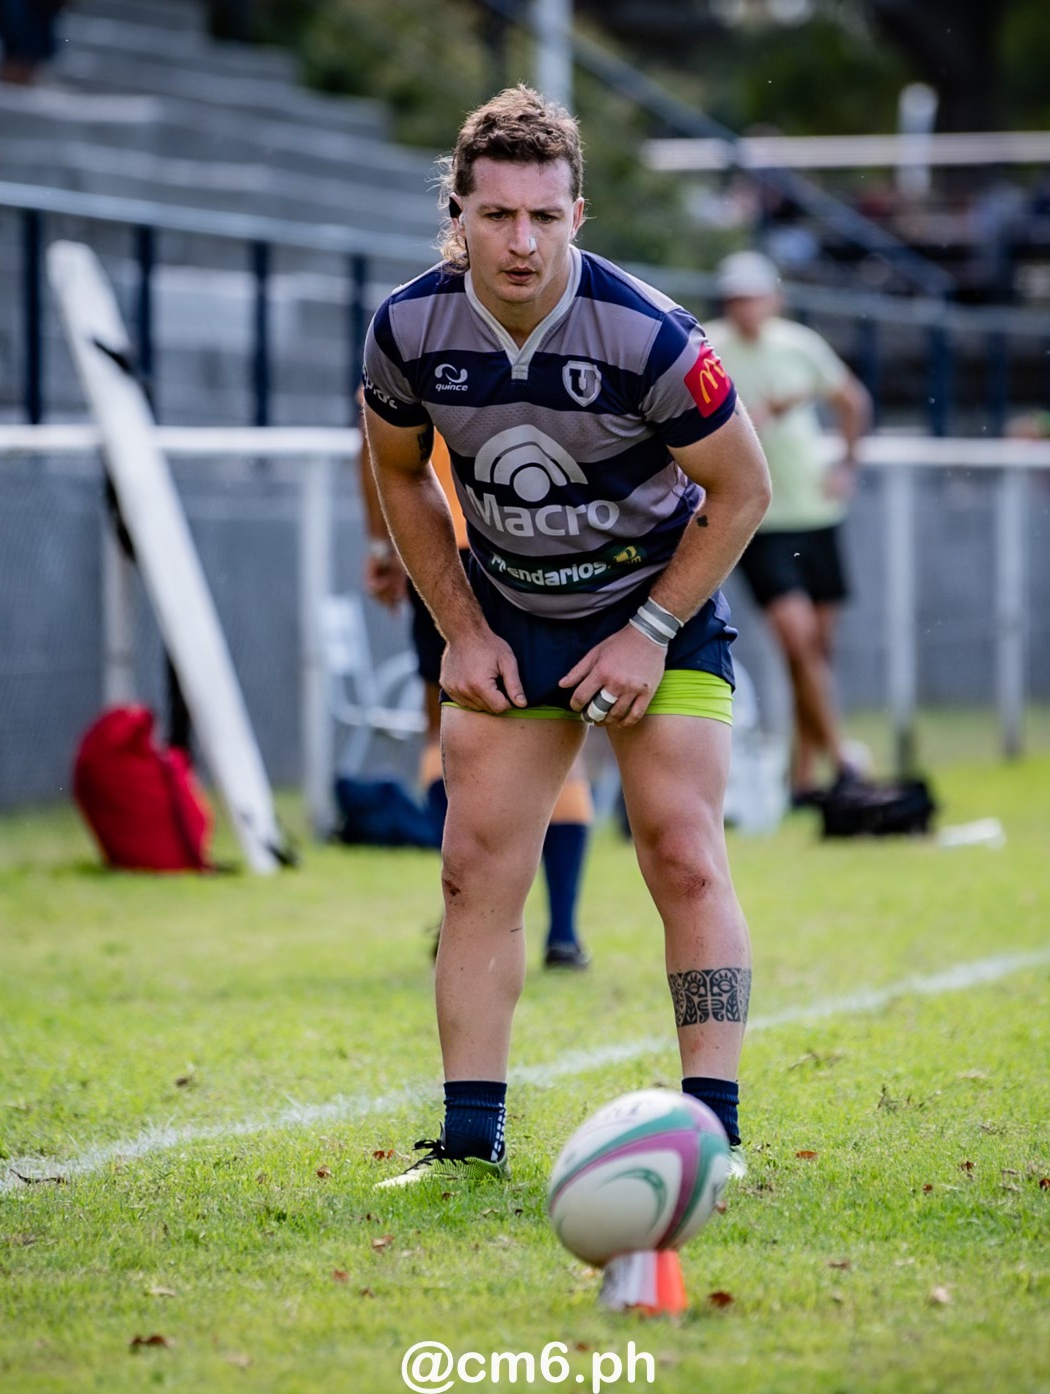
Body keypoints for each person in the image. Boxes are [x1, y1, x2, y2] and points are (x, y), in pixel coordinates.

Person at [361, 85, 771, 1186]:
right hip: (507, 618)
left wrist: (647, 630)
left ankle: (714, 1133)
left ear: (577, 215)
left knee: (682, 852)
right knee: (472, 873)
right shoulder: (406, 327)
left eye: (543, 215)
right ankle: (466, 1144)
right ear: (459, 212)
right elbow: (397, 474)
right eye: (496, 215)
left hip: (658, 609)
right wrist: (458, 626)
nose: (520, 240)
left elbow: (741, 490)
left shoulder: (649, 333)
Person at [355, 415, 595, 969]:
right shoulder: (546, 334)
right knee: (558, 729)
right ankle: (561, 932)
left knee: (445, 729)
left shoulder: (407, 340)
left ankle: (469, 909)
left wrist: (383, 546)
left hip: (442, 549)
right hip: (535, 550)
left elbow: (373, 450)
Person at [704, 251, 872, 807]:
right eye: (738, 297)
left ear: (772, 299)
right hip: (760, 520)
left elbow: (851, 400)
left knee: (817, 650)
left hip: (814, 513)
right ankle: (843, 761)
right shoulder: (710, 345)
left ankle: (804, 778)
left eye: (755, 295)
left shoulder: (798, 344)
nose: (747, 307)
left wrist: (847, 465)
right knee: (798, 642)